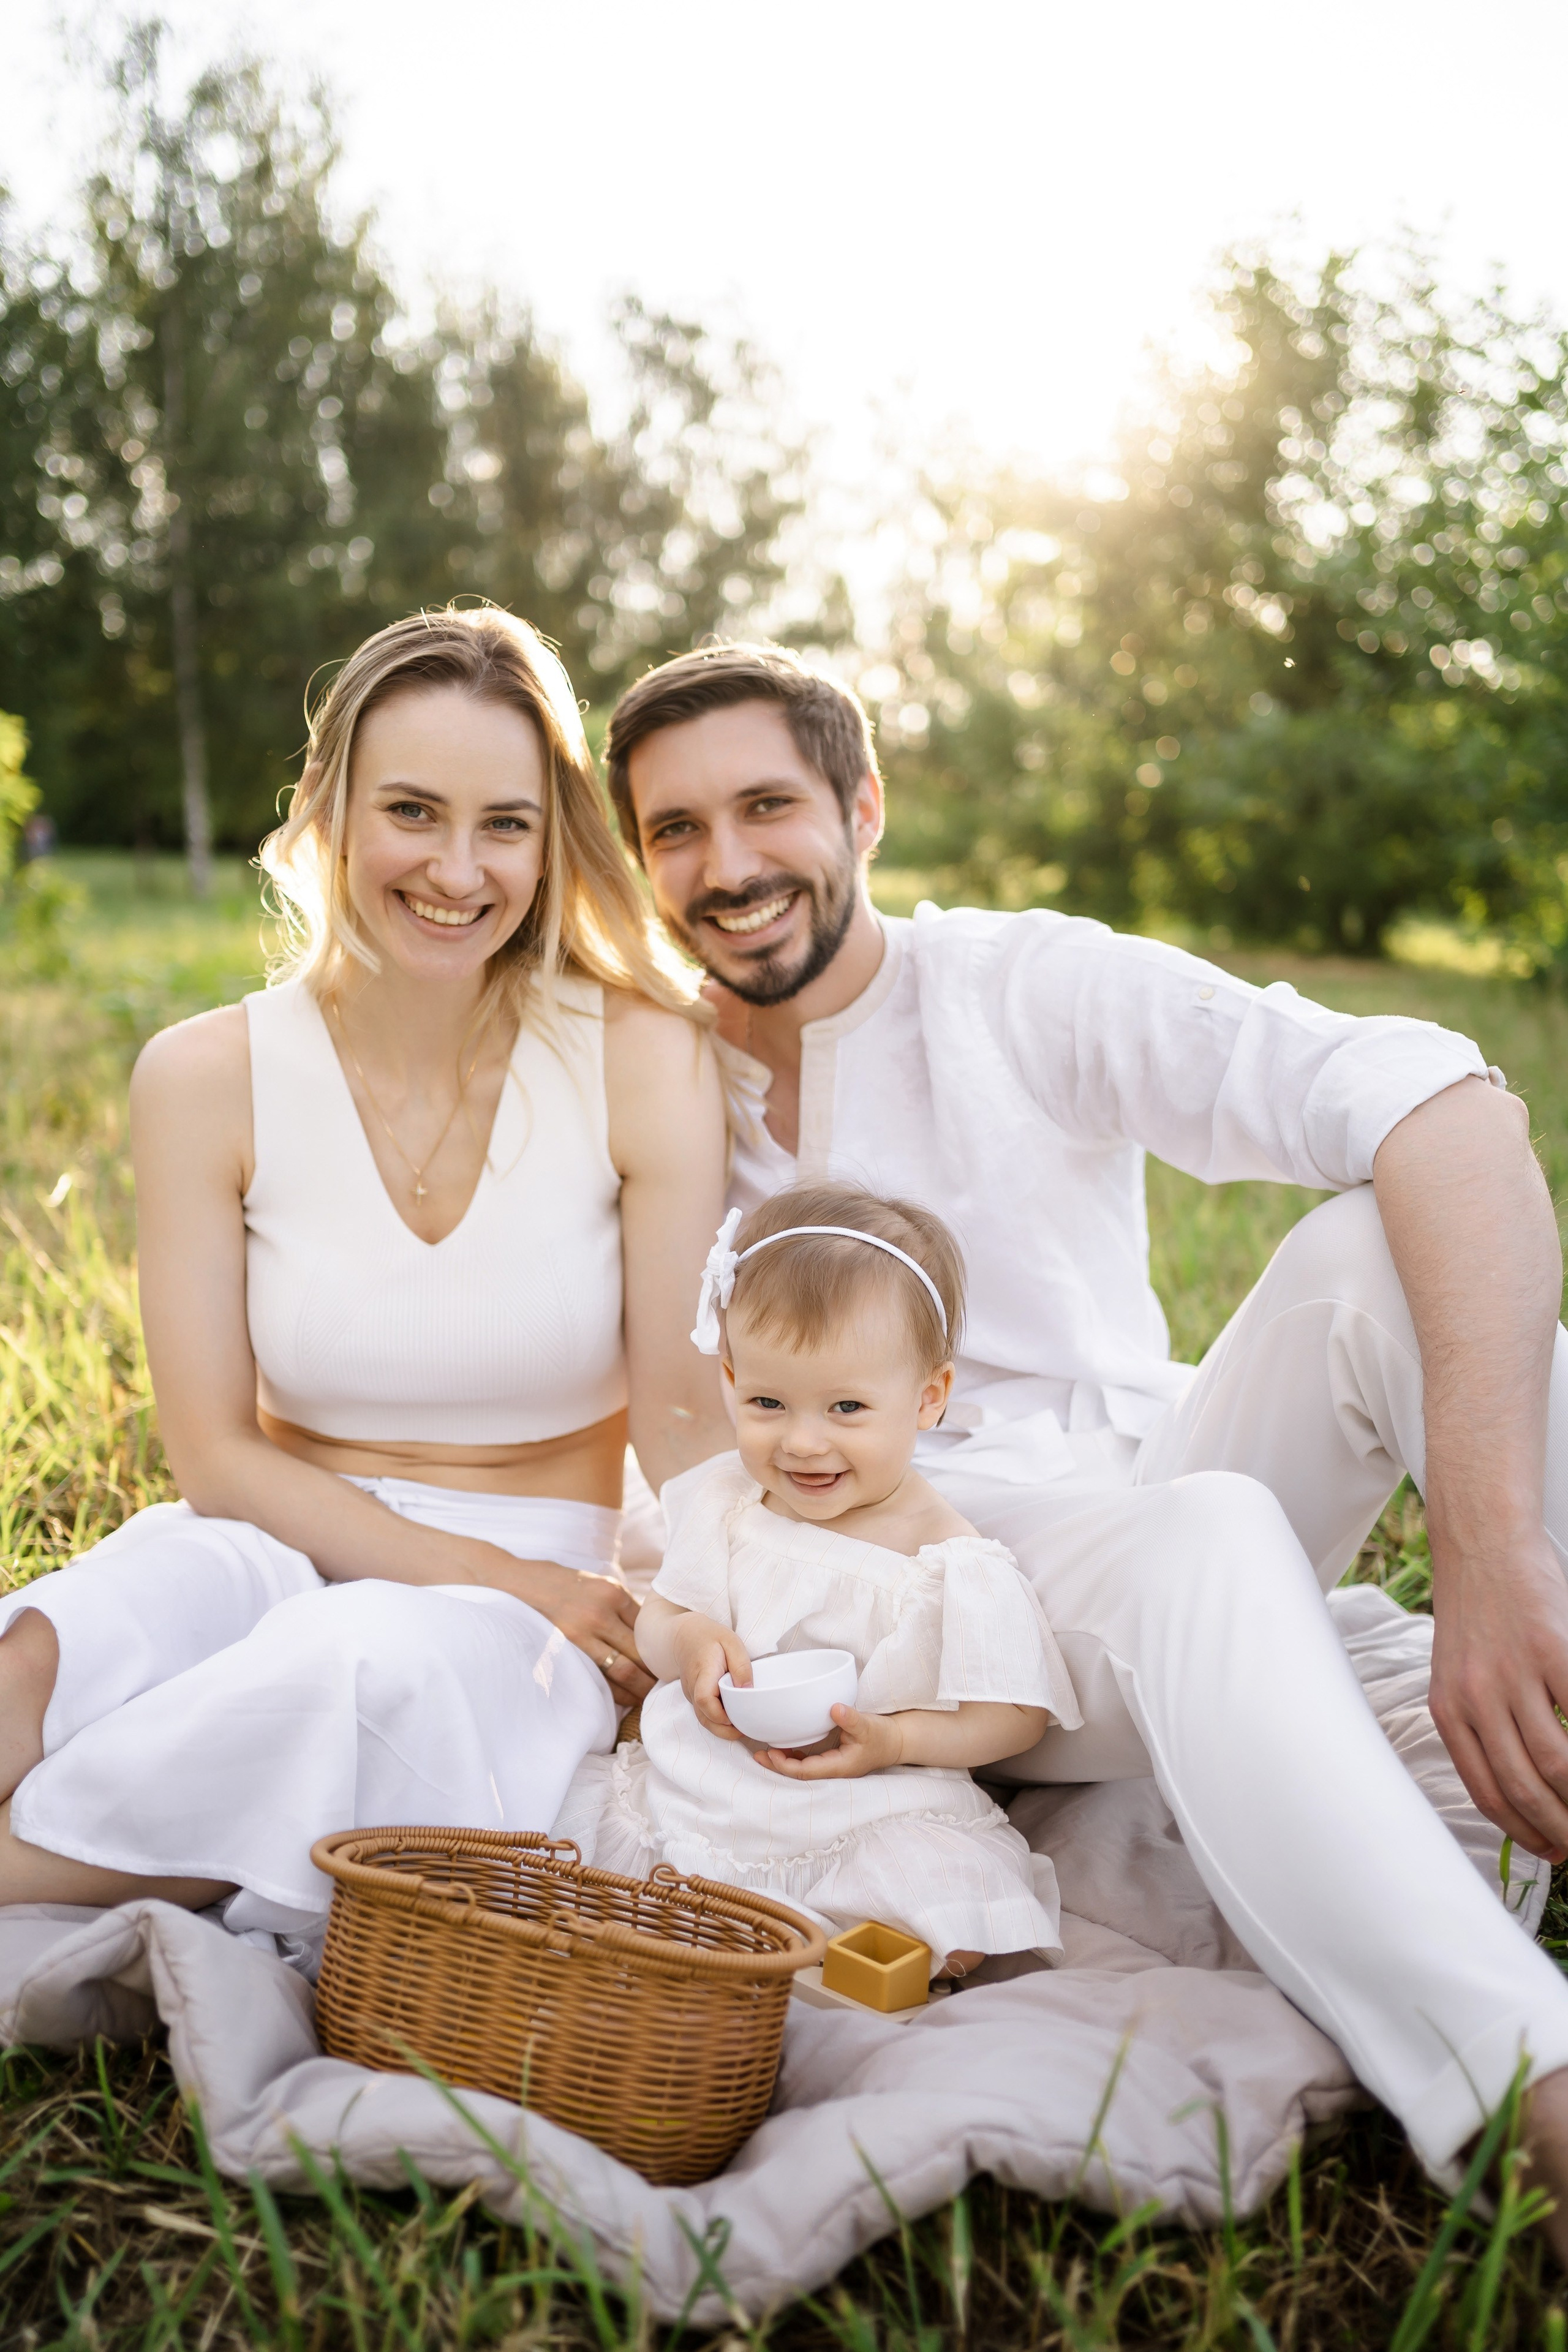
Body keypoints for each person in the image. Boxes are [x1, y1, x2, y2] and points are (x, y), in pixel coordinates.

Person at [605, 639, 1568, 2221]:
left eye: (766, 806)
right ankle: (1527, 2080)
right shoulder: (654, 1082)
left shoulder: (1015, 985)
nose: (726, 866)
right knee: (1210, 1539)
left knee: (1361, 1263)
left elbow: (1442, 1106)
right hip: (908, 1622)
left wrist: (1487, 1543)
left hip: (1139, 1507)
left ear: (862, 807)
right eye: (673, 831)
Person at [0, 606, 730, 1943]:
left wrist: (708, 1618)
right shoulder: (203, 1076)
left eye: (505, 823)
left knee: (345, 1670)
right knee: (44, 1650)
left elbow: (686, 1430)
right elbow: (214, 1458)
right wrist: (494, 1582)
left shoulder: (640, 1059)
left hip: (531, 1578)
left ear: (550, 839)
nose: (458, 870)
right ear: (330, 811)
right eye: (412, 811)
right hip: (270, 1530)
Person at [576, 1184, 1073, 1977]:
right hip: (708, 1783)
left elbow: (1014, 1717)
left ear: (928, 1399)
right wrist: (691, 1641)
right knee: (589, 1840)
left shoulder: (946, 1555)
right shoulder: (729, 1503)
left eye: (846, 1408)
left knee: (938, 1890)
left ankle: (838, 1944)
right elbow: (662, 1614)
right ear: (732, 1380)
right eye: (769, 1402)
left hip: (868, 1796)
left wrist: (898, 1740)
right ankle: (712, 1925)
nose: (804, 1443)